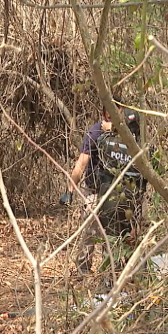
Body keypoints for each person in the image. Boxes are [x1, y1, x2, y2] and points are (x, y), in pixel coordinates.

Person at [60, 95, 142, 275]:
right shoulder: (95, 132)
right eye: (108, 112)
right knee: (90, 230)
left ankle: (109, 273)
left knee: (111, 235)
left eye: (116, 111)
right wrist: (70, 189)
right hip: (94, 190)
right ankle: (82, 270)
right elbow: (81, 163)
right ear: (103, 113)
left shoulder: (129, 136)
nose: (111, 115)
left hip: (117, 193)